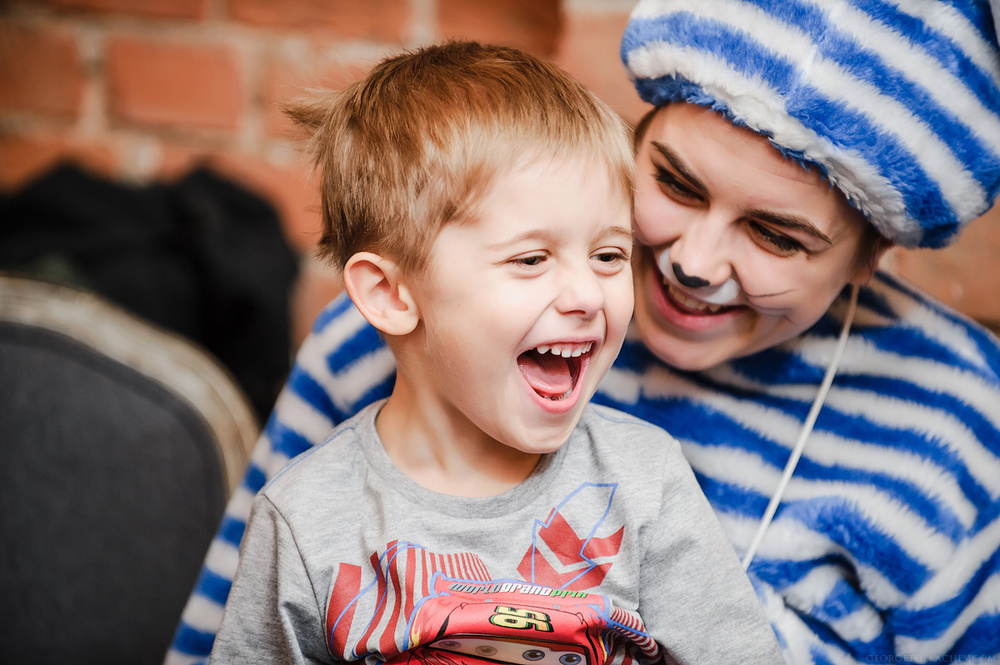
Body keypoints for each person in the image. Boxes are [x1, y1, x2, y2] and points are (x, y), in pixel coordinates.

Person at [167, 2, 1000, 664]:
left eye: (777, 236)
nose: (693, 262)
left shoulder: (962, 420)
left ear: (870, 256)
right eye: (672, 181)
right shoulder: (384, 346)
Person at [206, 40, 782, 664]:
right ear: (392, 294)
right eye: (531, 259)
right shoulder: (306, 522)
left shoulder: (645, 482)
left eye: (609, 255)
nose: (588, 294)